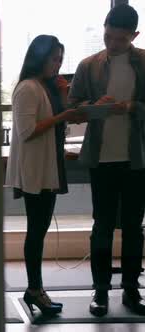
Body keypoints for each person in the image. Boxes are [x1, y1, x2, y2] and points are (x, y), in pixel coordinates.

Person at [68, 4, 145, 317]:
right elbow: (74, 106)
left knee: (133, 227)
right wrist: (94, 106)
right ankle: (100, 291)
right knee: (101, 226)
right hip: (102, 158)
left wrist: (130, 107)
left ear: (134, 35)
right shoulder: (89, 65)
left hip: (137, 158)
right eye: (107, 36)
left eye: (120, 39)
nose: (111, 44)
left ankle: (131, 289)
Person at [5, 35, 80, 315]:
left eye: (60, 59)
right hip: (36, 169)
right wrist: (61, 117)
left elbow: (62, 118)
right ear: (40, 58)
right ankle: (34, 289)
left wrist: (63, 99)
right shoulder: (27, 88)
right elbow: (27, 131)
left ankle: (35, 289)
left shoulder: (45, 87)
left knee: (39, 229)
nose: (57, 65)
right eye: (54, 59)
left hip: (46, 166)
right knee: (36, 232)